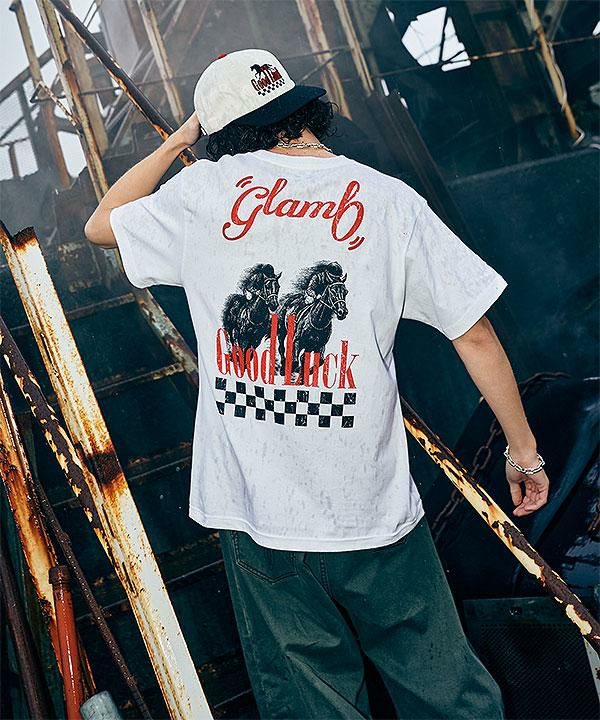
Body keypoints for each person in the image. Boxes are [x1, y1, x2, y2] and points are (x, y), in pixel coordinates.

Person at [85, 48, 549, 719]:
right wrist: (523, 451)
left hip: (255, 514)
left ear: (220, 130)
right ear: (301, 109)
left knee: (311, 703)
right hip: (370, 507)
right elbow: (474, 334)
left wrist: (180, 140)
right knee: (447, 693)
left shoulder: (201, 194)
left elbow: (101, 226)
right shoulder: (388, 200)